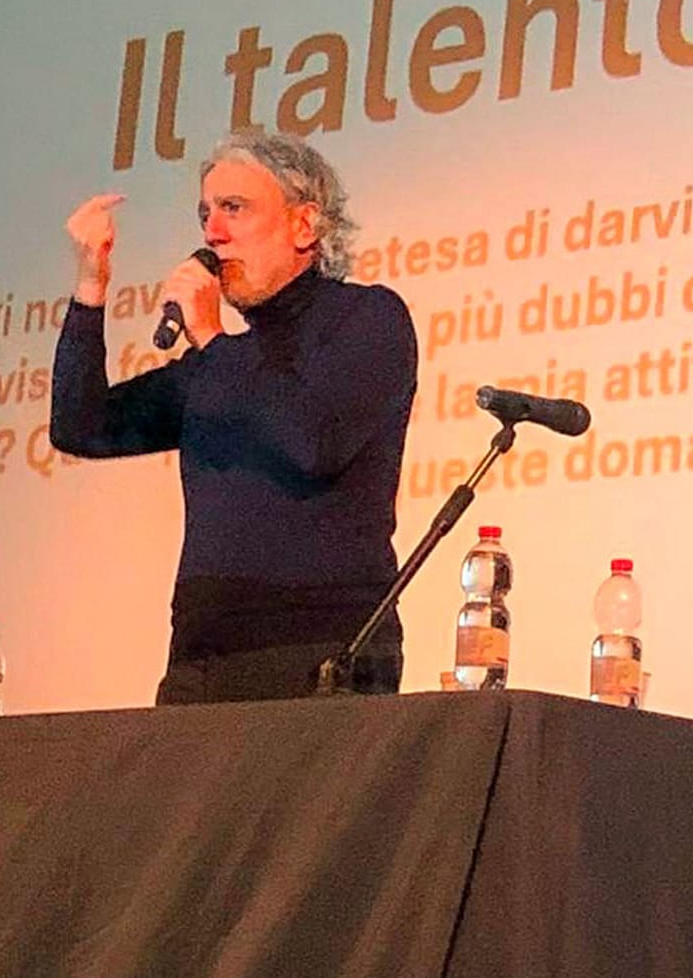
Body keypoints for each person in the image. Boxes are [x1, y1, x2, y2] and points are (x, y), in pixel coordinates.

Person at [50, 130, 417, 704]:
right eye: (205, 214)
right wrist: (90, 288)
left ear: (305, 224)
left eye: (234, 208)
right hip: (201, 656)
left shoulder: (367, 318)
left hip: (322, 652)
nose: (212, 232)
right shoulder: (221, 363)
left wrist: (210, 336)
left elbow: (313, 441)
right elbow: (81, 427)